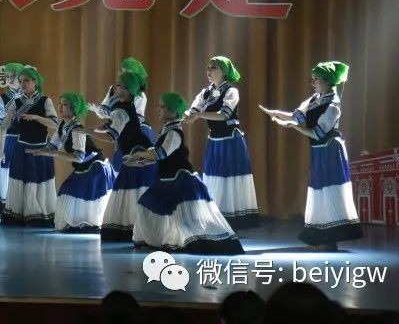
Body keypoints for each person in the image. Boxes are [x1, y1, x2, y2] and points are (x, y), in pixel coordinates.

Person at [260, 61, 363, 250]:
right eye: (312, 79)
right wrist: (276, 113)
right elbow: (296, 116)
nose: (313, 83)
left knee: (330, 190)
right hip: (319, 150)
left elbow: (317, 133)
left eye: (316, 79)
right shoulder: (315, 99)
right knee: (320, 190)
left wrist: (294, 126)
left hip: (330, 150)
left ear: (328, 81)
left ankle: (331, 238)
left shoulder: (333, 105)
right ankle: (321, 235)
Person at [126, 92, 244, 253]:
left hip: (179, 180)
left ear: (173, 112)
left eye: (162, 107)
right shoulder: (167, 129)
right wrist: (142, 161)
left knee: (180, 216)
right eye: (159, 106)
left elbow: (161, 153)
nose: (158, 109)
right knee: (148, 206)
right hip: (166, 178)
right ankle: (159, 239)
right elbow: (161, 156)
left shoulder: (174, 132)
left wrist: (140, 154)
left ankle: (173, 240)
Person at [184, 55, 259, 228]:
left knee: (229, 177)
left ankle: (232, 220)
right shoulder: (206, 92)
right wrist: (187, 115)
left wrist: (198, 115)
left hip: (230, 140)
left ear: (224, 72)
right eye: (208, 67)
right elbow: (194, 108)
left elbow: (223, 115)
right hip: (215, 140)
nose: (209, 71)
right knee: (215, 176)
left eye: (213, 68)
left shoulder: (231, 91)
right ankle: (215, 218)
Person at [88, 70, 157, 241]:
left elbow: (111, 136)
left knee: (133, 188)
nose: (114, 88)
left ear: (127, 90)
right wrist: (89, 129)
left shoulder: (122, 109)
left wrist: (86, 131)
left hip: (135, 152)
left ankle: (136, 228)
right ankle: (138, 228)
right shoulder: (124, 105)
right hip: (135, 150)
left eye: (118, 85)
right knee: (135, 189)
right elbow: (110, 126)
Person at [32, 92, 115, 233]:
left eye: (65, 105)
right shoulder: (63, 126)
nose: (60, 107)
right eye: (59, 103)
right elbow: (52, 146)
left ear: (74, 109)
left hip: (94, 168)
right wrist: (38, 150)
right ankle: (77, 223)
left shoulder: (77, 129)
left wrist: (52, 153)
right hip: (82, 168)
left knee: (75, 194)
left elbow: (78, 157)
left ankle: (85, 225)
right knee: (67, 192)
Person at [0, 65, 59, 226]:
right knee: (21, 180)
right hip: (22, 147)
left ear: (35, 82)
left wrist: (36, 117)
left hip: (41, 147)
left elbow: (54, 124)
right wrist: (9, 115)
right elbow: (4, 126)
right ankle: (19, 213)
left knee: (40, 180)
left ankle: (39, 214)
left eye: (26, 80)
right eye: (20, 81)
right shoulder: (16, 101)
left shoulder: (45, 101)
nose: (22, 84)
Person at [0, 62, 24, 214]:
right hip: (10, 140)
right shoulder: (2, 99)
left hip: (27, 141)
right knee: (7, 171)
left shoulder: (31, 96)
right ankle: (8, 206)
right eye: (7, 76)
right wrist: (1, 150)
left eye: (13, 76)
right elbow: (1, 127)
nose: (10, 79)